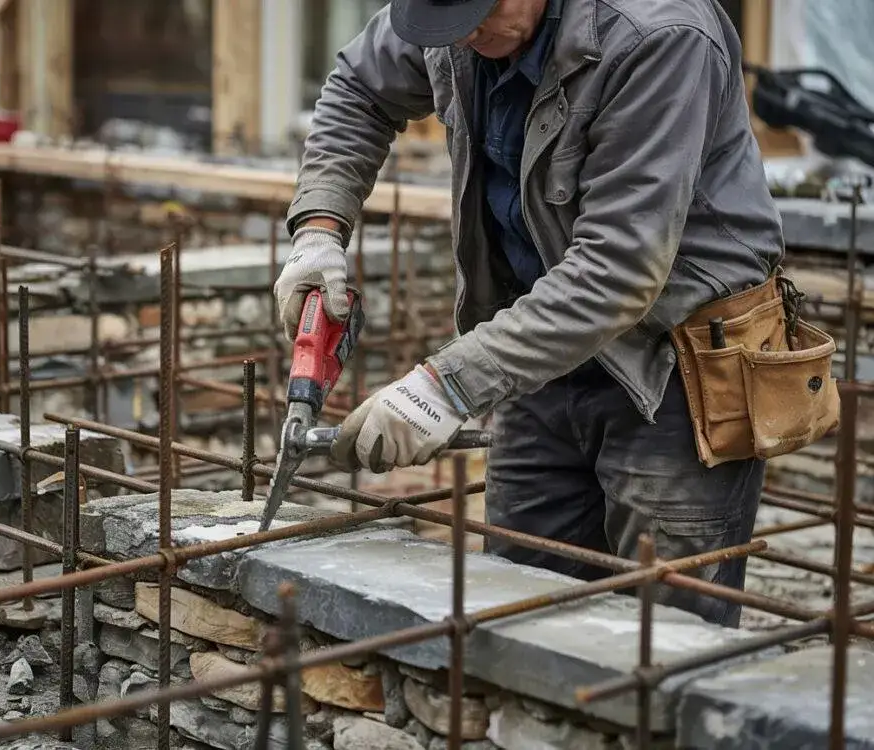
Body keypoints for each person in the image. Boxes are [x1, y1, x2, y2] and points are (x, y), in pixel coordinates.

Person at [273, 0, 788, 628]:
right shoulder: (450, 18)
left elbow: (617, 272)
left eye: (478, 12)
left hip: (679, 363)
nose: (462, 34)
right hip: (539, 353)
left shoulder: (659, 35)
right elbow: (360, 87)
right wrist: (319, 230)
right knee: (522, 606)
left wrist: (445, 386)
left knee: (670, 629)